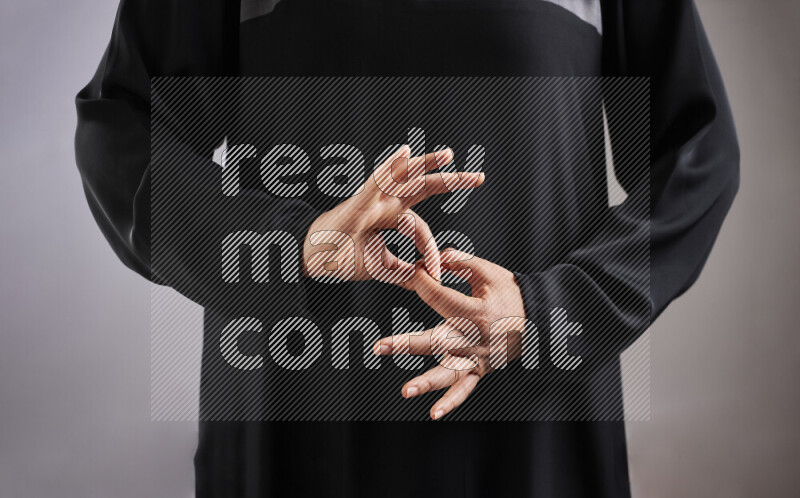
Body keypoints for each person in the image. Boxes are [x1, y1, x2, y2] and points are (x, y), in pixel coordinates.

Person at [75, 0, 739, 496]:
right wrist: (291, 244)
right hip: (294, 432)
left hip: (535, 443)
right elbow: (122, 132)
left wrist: (548, 316)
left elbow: (697, 150)